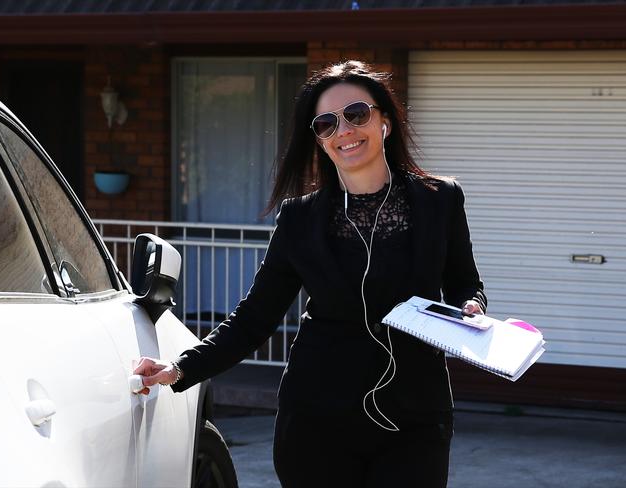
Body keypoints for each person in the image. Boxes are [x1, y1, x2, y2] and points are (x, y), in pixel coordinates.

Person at [134, 60, 486, 487]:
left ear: (385, 123)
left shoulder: (440, 200)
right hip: (318, 418)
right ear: (318, 140)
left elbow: (466, 281)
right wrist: (181, 367)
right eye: (326, 123)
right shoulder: (300, 218)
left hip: (416, 416)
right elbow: (255, 317)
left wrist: (472, 306)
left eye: (357, 114)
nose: (344, 130)